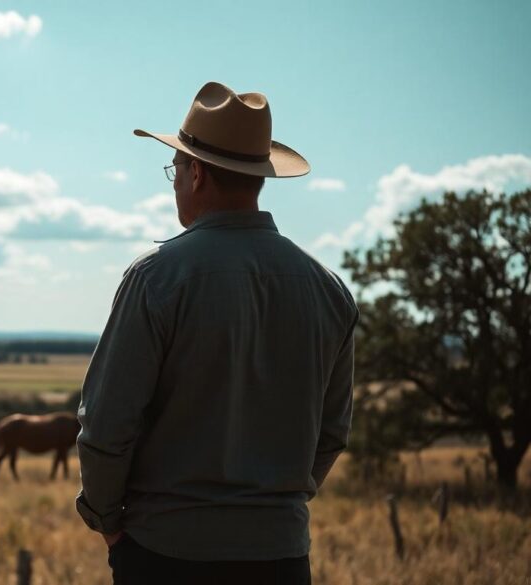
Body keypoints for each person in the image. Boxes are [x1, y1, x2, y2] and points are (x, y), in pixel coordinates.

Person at [75, 81, 358, 584]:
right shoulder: (329, 290)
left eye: (176, 169)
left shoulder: (156, 278)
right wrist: (272, 510)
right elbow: (332, 433)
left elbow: (105, 426)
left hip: (165, 552)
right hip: (283, 557)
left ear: (198, 173)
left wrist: (107, 521)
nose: (176, 182)